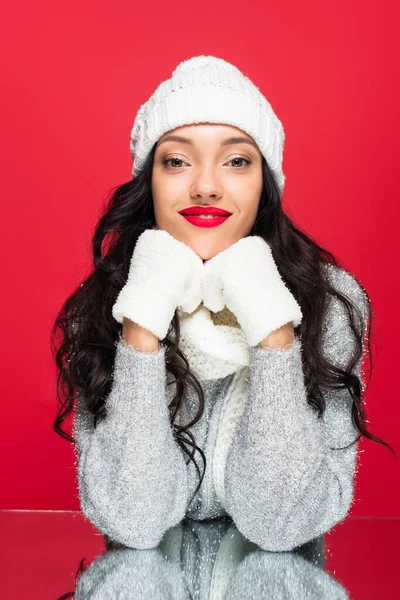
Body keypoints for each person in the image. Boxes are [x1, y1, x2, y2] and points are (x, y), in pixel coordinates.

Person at [51, 55, 393, 552]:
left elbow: (283, 524)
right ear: (150, 181)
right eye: (176, 160)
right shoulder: (106, 305)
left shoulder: (331, 302)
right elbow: (134, 521)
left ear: (265, 183)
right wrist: (143, 321)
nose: (206, 186)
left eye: (236, 161)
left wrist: (273, 327)